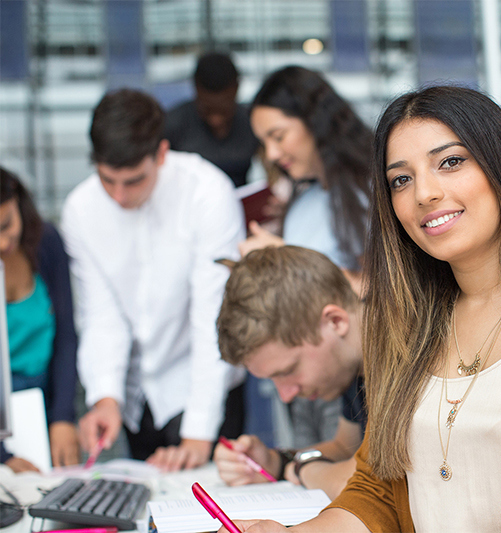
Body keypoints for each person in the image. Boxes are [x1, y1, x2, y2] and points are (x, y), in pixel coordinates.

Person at [228, 86, 501, 533]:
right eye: (400, 180)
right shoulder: (406, 323)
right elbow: (378, 491)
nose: (424, 193)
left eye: (451, 162)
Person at [61, 88, 246, 471]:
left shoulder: (208, 193)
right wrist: (106, 396)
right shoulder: (80, 209)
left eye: (133, 181)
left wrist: (197, 434)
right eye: (107, 179)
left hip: (204, 383)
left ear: (161, 154)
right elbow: (100, 313)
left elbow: (214, 314)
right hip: (137, 394)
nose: (118, 195)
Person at [238, 66, 372, 457]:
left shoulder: (372, 189)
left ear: (315, 121)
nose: (273, 154)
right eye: (265, 142)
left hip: (355, 370)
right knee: (318, 461)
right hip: (310, 372)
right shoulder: (304, 200)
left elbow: (395, 288)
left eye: (278, 136)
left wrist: (285, 259)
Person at [213, 245, 365, 500]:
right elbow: (344, 447)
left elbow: (361, 484)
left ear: (335, 321)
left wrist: (305, 469)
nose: (286, 395)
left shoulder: (404, 356)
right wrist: (275, 463)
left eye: (289, 370)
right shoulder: (352, 365)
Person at [0, 167, 80, 471]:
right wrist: (3, 457)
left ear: (19, 202)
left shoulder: (46, 242)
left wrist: (62, 416)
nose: (3, 243)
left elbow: (65, 337)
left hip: (45, 400)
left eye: (7, 225)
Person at [164, 51, 259, 187]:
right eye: (207, 109)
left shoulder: (252, 122)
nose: (216, 120)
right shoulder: (172, 125)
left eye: (224, 109)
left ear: (237, 89)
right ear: (195, 89)